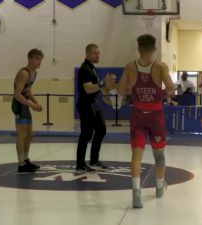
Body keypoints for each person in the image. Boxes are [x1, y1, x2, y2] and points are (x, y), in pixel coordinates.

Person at [117, 34, 174, 208]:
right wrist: (159, 95)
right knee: (159, 155)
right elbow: (170, 89)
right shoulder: (160, 67)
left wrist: (132, 90)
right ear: (154, 49)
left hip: (138, 115)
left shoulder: (129, 67)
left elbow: (120, 91)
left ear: (138, 48)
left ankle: (136, 191)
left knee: (136, 154)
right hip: (155, 116)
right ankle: (158, 187)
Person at [75, 44, 115, 173]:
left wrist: (106, 87)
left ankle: (93, 160)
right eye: (95, 53)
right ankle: (80, 164)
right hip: (86, 104)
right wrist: (103, 82)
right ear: (87, 54)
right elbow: (87, 88)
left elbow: (97, 86)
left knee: (101, 130)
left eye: (98, 53)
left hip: (92, 104)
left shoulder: (92, 68)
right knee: (86, 134)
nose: (98, 56)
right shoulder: (85, 69)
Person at [11, 49, 44, 173]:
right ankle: (21, 164)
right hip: (19, 105)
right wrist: (32, 105)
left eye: (41, 60)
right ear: (30, 59)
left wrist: (36, 102)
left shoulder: (34, 73)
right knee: (22, 135)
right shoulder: (24, 73)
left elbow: (27, 91)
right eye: (37, 59)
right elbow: (17, 94)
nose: (39, 62)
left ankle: (26, 160)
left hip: (25, 104)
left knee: (30, 135)